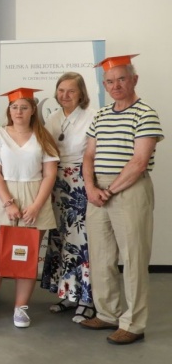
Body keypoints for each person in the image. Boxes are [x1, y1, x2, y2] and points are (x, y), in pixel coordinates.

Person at [80, 55, 163, 345]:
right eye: (110, 81)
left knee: (133, 258)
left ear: (134, 80)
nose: (115, 85)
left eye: (122, 79)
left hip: (129, 190)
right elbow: (88, 155)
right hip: (97, 192)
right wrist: (91, 187)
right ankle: (107, 313)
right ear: (104, 85)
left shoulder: (146, 114)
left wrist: (109, 190)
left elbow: (139, 162)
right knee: (101, 256)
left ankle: (133, 324)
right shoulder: (101, 115)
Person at [0, 87, 59, 328]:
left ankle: (21, 308)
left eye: (24, 107)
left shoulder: (43, 136)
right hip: (4, 197)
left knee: (26, 257)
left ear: (32, 110)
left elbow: (50, 174)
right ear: (9, 110)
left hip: (35, 196)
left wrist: (36, 206)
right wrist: (8, 203)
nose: (18, 111)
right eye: (14, 107)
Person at [40, 73, 97, 323]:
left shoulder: (92, 116)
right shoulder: (53, 118)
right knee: (61, 240)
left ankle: (87, 300)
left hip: (81, 183)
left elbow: (93, 155)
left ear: (81, 93)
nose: (65, 95)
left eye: (71, 91)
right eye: (61, 90)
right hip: (56, 184)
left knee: (81, 242)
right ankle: (68, 294)